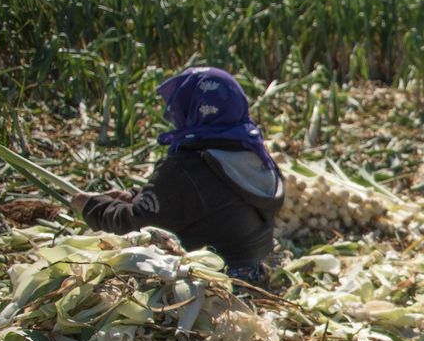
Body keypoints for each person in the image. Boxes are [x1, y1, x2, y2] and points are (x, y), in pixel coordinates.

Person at [70, 67, 285, 286]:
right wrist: (136, 196)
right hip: (254, 276)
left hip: (215, 287)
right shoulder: (255, 155)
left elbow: (133, 227)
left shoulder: (187, 166)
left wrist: (91, 205)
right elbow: (205, 202)